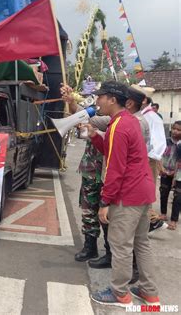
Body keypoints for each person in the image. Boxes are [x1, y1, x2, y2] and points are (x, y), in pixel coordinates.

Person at [88, 81, 159, 308]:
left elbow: (116, 168)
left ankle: (120, 293)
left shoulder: (119, 125)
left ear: (112, 99)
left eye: (100, 96)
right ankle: (149, 292)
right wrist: (95, 137)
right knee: (141, 243)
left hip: (127, 194)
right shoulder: (127, 121)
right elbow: (116, 152)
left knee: (121, 245)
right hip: (143, 190)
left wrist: (105, 202)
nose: (97, 101)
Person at [60, 84, 108, 263]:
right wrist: (71, 100)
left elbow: (86, 118)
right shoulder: (97, 112)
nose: (98, 101)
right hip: (90, 170)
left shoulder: (113, 119)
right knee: (88, 211)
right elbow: (78, 111)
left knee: (106, 213)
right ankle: (90, 246)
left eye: (101, 97)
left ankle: (110, 250)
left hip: (104, 173)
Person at [159, 121, 181, 230]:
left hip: (178, 174)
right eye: (174, 128)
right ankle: (163, 213)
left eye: (178, 129)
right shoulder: (165, 141)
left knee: (177, 197)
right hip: (165, 171)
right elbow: (159, 154)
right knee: (163, 192)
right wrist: (161, 168)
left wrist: (175, 172)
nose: (175, 131)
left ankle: (174, 220)